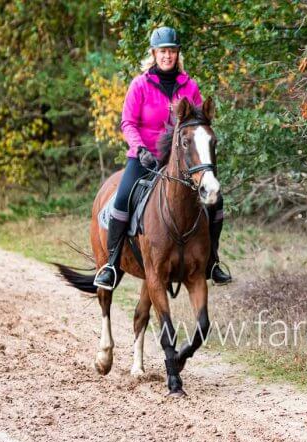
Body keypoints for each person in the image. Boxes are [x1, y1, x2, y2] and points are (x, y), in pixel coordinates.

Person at [93, 26, 232, 290]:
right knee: (122, 200)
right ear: (154, 54)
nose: (167, 56)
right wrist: (139, 148)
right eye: (162, 51)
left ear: (177, 54)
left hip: (179, 162)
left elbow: (200, 121)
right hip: (143, 158)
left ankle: (212, 261)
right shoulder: (140, 85)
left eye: (172, 51)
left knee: (216, 199)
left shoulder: (189, 86)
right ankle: (111, 264)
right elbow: (128, 123)